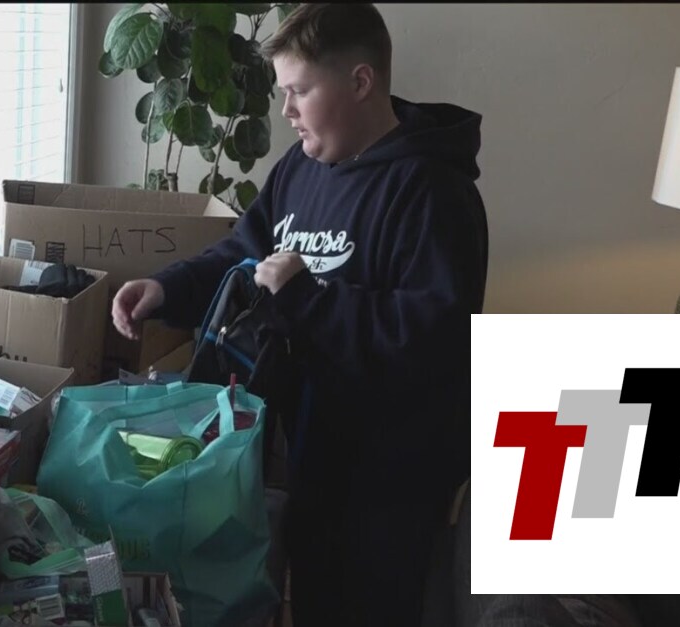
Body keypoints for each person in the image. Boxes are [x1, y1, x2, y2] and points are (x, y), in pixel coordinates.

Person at [112, 4, 488, 625]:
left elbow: (434, 339)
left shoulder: (434, 193)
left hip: (392, 484)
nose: (285, 110)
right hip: (312, 457)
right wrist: (165, 289)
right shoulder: (301, 168)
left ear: (360, 82)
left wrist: (307, 298)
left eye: (300, 91)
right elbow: (243, 255)